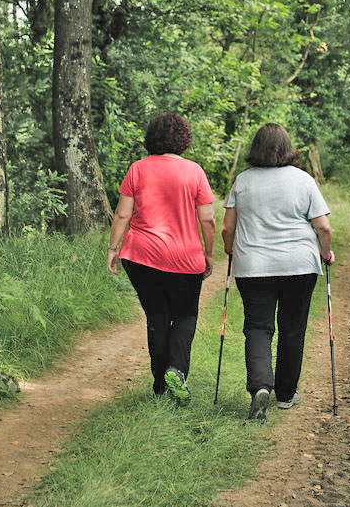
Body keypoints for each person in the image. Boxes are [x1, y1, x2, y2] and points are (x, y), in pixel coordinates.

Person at [222, 123, 333, 421]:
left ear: (255, 149)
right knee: (292, 327)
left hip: (254, 266)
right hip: (299, 264)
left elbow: (227, 227)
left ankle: (260, 386)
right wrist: (326, 254)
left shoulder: (242, 181)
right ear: (287, 147)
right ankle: (285, 395)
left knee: (258, 327)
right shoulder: (303, 180)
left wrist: (229, 249)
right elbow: (322, 226)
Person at [107, 112, 217, 404]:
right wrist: (208, 252)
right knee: (185, 315)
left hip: (141, 255)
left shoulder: (138, 169)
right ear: (184, 139)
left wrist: (112, 248)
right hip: (185, 258)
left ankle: (160, 386)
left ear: (151, 138)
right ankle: (176, 370)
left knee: (157, 316)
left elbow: (122, 214)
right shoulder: (195, 172)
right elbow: (207, 219)